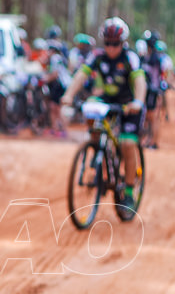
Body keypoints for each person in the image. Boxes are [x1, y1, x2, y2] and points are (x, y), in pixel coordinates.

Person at [61, 17, 147, 208]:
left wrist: (139, 101)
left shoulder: (129, 58)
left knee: (127, 143)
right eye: (107, 43)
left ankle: (130, 191)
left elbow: (140, 81)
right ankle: (96, 147)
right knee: (90, 106)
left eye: (115, 44)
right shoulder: (98, 56)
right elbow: (81, 75)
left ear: (122, 43)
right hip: (108, 100)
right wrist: (68, 95)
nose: (111, 48)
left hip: (129, 104)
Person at [41, 39, 70, 137]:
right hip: (58, 85)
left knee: (57, 108)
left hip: (60, 85)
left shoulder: (55, 58)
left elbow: (55, 74)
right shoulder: (57, 58)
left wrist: (45, 79)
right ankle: (55, 128)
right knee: (52, 106)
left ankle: (63, 129)